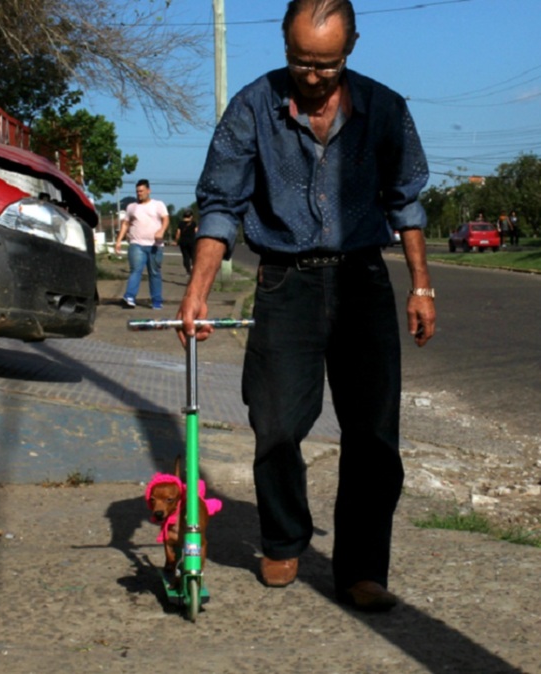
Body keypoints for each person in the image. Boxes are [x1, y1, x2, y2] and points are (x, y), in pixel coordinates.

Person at [177, 0, 436, 612]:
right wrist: (198, 291)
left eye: (327, 64)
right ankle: (284, 537)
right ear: (285, 47)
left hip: (362, 283)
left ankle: (363, 568)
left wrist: (421, 286)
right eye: (300, 62)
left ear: (350, 50)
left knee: (373, 436)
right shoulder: (251, 108)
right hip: (285, 285)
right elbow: (221, 205)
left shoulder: (385, 109)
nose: (313, 76)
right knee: (276, 425)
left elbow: (407, 203)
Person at [114, 179, 169, 309]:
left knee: (154, 273)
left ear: (148, 191)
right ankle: (130, 296)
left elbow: (166, 219)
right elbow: (125, 224)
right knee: (136, 271)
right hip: (136, 244)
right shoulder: (131, 207)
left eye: (142, 191)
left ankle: (156, 301)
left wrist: (161, 231)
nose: (139, 194)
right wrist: (118, 241)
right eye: (137, 191)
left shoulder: (158, 204)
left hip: (155, 245)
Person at [174, 209, 198, 275]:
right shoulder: (193, 223)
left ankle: (188, 270)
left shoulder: (180, 223)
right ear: (191, 216)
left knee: (185, 256)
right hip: (192, 241)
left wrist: (176, 241)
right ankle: (193, 267)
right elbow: (196, 232)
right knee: (193, 256)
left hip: (183, 242)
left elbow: (178, 233)